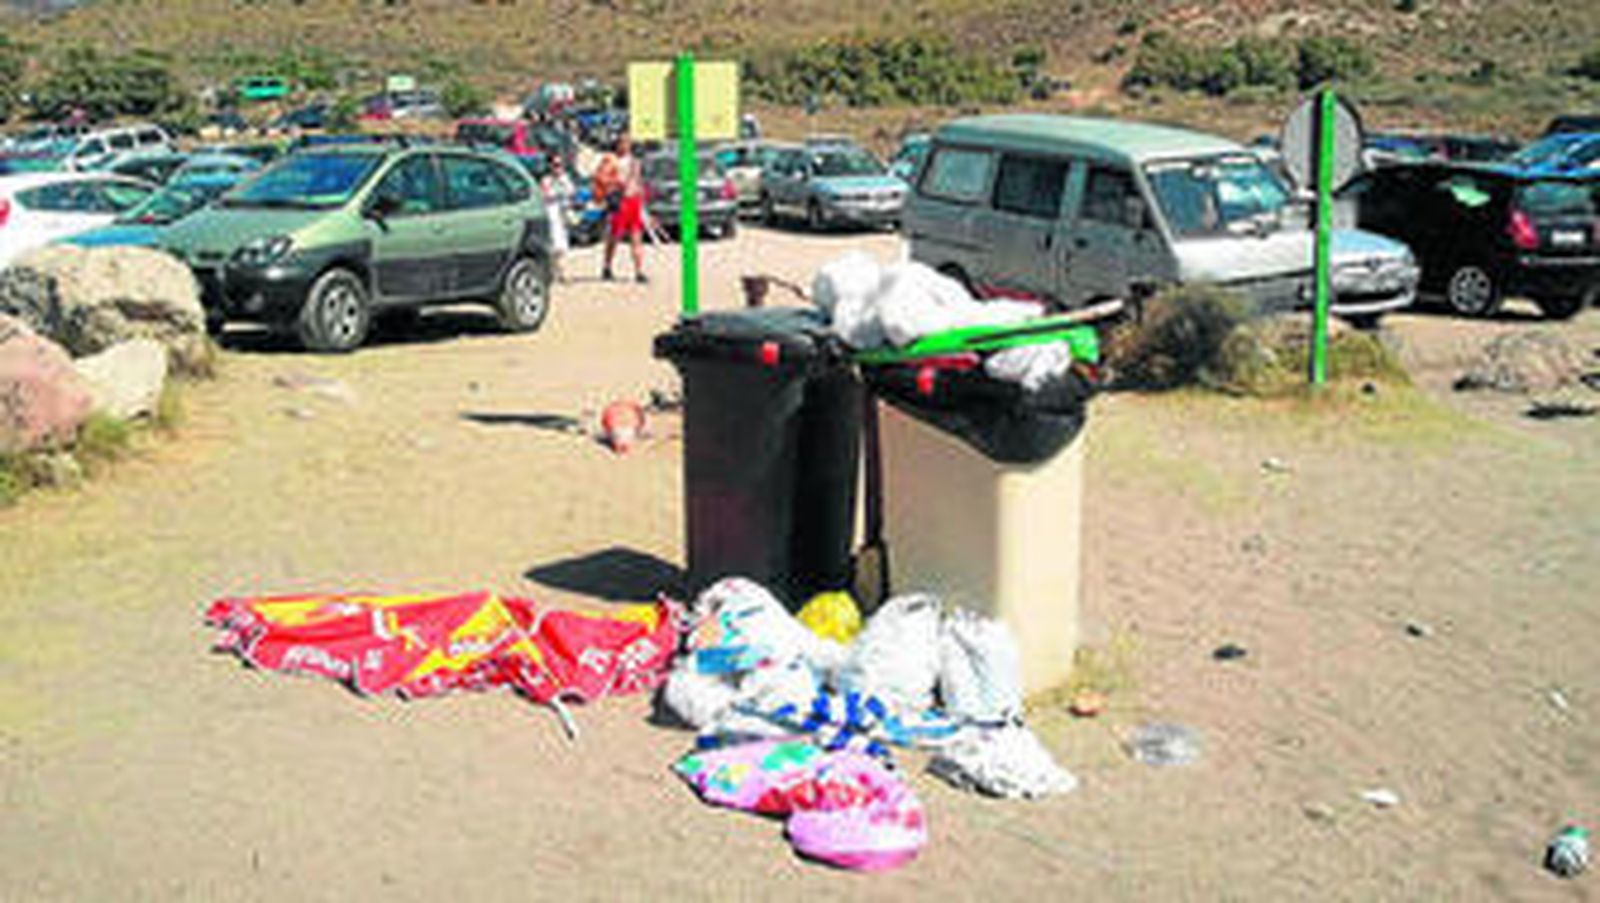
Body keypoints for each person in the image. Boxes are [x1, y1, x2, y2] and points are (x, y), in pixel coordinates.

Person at [598, 135, 647, 283]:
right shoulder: (611, 160)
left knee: (636, 237)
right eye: (623, 142)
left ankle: (639, 271)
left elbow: (638, 181)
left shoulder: (634, 161)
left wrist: (642, 200)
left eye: (627, 143)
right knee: (614, 237)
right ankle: (607, 266)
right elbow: (601, 178)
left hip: (634, 201)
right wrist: (616, 182)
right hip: (620, 201)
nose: (625, 145)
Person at [539, 156, 575, 283]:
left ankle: (561, 272)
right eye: (555, 165)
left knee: (562, 246)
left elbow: (571, 192)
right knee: (554, 245)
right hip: (551, 214)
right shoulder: (546, 180)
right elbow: (545, 195)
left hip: (563, 215)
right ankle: (556, 273)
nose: (558, 168)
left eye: (560, 165)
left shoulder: (566, 179)